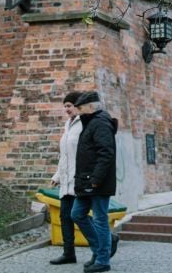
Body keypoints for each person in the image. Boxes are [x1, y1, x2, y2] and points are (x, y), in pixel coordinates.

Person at [70, 90, 119, 273]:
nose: (79, 112)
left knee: (99, 219)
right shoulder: (90, 122)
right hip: (86, 181)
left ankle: (102, 260)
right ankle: (102, 247)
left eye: (81, 108)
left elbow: (106, 153)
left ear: (91, 107)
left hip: (97, 182)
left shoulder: (100, 123)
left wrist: (96, 180)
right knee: (77, 214)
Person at [49, 91, 83, 265]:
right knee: (65, 216)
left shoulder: (84, 124)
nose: (66, 110)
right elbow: (65, 155)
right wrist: (57, 176)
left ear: (77, 105)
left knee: (79, 215)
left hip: (80, 179)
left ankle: (107, 239)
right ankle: (69, 253)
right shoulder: (68, 125)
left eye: (69, 106)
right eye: (65, 107)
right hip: (66, 179)